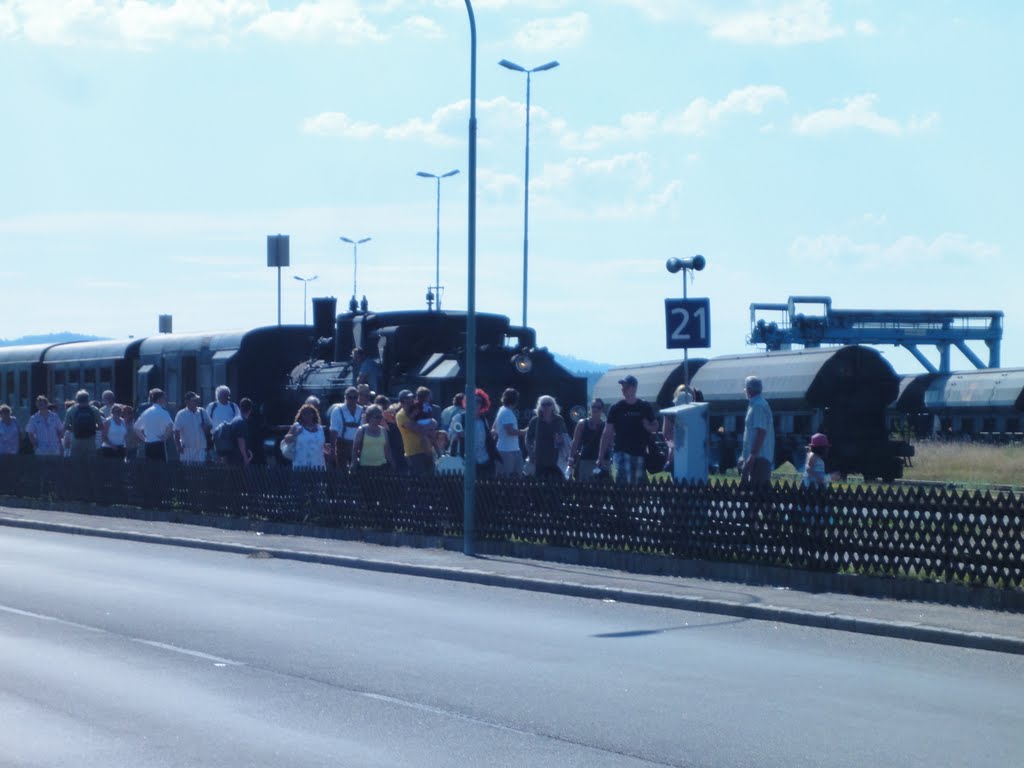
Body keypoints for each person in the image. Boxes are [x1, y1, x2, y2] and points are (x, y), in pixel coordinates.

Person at [597, 374, 658, 485]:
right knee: (624, 481)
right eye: (622, 386)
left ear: (634, 388)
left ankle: (636, 501)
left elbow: (655, 426)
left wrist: (648, 427)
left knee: (638, 483)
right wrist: (600, 456)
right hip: (622, 450)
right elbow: (607, 432)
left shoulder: (644, 406)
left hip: (640, 451)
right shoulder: (616, 408)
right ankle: (623, 501)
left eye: (626, 386)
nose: (623, 389)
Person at [451, 389, 498, 477]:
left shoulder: (483, 420)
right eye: (473, 400)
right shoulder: (459, 418)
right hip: (466, 463)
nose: (476, 403)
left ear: (482, 404)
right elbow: (457, 435)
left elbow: (486, 439)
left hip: (484, 461)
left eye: (479, 401)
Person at [739, 375, 774, 489]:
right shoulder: (755, 404)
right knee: (754, 494)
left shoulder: (758, 406)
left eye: (745, 388)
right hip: (755, 456)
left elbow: (761, 432)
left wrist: (752, 455)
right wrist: (743, 456)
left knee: (758, 493)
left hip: (759, 457)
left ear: (749, 389)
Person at [526, 395, 569, 480]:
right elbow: (528, 438)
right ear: (540, 407)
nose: (546, 407)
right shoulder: (535, 421)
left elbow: (565, 437)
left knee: (556, 483)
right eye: (543, 404)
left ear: (553, 406)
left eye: (549, 404)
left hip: (555, 458)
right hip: (539, 458)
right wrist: (530, 453)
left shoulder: (559, 420)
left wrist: (560, 439)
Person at [395, 389, 436, 476]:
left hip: (427, 450)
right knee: (418, 479)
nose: (411, 402)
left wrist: (429, 425)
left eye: (411, 399)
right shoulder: (400, 416)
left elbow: (434, 422)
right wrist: (429, 427)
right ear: (402, 403)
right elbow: (417, 429)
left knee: (431, 478)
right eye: (407, 400)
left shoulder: (418, 409)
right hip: (414, 453)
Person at [569, 398, 606, 480]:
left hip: (602, 462)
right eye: (593, 406)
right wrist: (571, 459)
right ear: (590, 408)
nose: (595, 409)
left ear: (602, 409)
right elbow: (575, 442)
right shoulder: (582, 423)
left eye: (598, 407)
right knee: (584, 489)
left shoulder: (605, 426)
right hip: (586, 460)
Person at [134, 389, 174, 462]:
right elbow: (170, 426)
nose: (165, 399)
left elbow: (136, 427)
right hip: (159, 444)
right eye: (164, 398)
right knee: (161, 468)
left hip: (148, 445)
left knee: (149, 468)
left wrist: (144, 439)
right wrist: (165, 436)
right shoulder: (163, 412)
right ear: (159, 399)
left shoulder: (146, 412)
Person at [351, 404, 393, 474]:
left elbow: (387, 449)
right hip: (365, 467)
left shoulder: (383, 431)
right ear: (369, 417)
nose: (379, 419)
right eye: (376, 417)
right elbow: (355, 449)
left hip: (381, 466)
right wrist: (354, 464)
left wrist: (392, 463)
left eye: (380, 417)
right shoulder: (362, 430)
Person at [283, 403, 327, 470]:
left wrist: (329, 449)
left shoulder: (320, 429)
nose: (307, 415)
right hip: (301, 464)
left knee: (318, 480)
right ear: (301, 416)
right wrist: (296, 434)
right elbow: (286, 440)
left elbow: (322, 445)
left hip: (318, 464)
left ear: (314, 414)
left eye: (309, 413)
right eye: (304, 414)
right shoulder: (296, 426)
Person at [329, 387, 363, 467]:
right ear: (345, 397)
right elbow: (333, 431)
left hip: (357, 444)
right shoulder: (337, 411)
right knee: (342, 472)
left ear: (358, 398)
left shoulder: (362, 410)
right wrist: (333, 450)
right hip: (342, 445)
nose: (352, 400)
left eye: (355, 397)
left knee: (357, 471)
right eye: (350, 397)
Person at [494, 388, 524, 476]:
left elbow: (494, 428)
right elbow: (510, 431)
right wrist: (525, 431)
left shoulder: (502, 410)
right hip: (506, 451)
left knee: (517, 476)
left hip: (513, 449)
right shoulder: (506, 412)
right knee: (506, 479)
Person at [174, 391, 211, 464]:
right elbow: (176, 431)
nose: (196, 402)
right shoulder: (181, 414)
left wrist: (206, 428)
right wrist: (178, 446)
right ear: (187, 402)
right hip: (186, 448)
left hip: (201, 447)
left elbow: (210, 425)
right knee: (186, 471)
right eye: (194, 400)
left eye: (197, 400)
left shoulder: (202, 411)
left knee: (200, 471)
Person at [224, 397, 255, 466]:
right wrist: (245, 457)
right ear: (250, 409)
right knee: (240, 476)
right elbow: (241, 441)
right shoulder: (241, 422)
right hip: (238, 458)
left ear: (240, 407)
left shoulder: (235, 419)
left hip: (231, 456)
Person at [383, 403, 408, 476]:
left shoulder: (400, 425)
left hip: (401, 454)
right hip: (392, 454)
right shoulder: (387, 427)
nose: (393, 415)